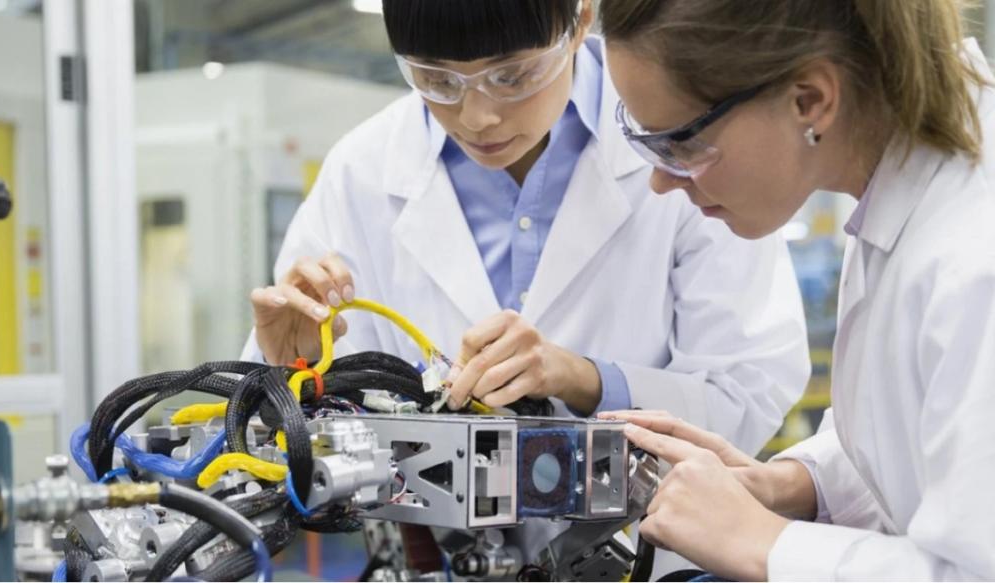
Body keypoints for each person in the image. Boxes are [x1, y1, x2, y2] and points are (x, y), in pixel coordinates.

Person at [243, 0, 811, 567]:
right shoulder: (360, 171)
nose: (476, 115)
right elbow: (301, 439)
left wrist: (583, 379)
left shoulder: (676, 138)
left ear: (581, 18)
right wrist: (289, 369)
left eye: (512, 75)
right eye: (436, 78)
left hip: (649, 555)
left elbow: (749, 387)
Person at [596, 0, 995, 579]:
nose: (660, 181)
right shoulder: (901, 184)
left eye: (679, 143)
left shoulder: (974, 254)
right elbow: (930, 448)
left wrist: (764, 543)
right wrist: (786, 484)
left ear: (811, 100)